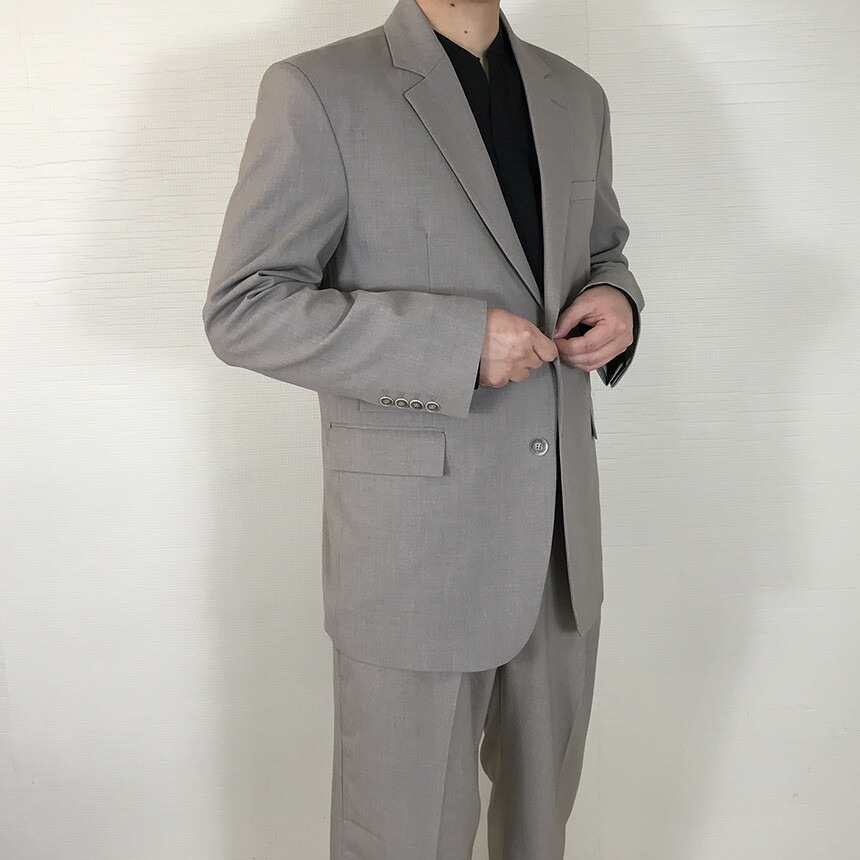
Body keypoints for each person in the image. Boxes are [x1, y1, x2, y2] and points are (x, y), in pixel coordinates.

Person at [203, 0, 644, 855]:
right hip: (413, 555)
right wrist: (452, 344)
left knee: (541, 833)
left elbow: (603, 251)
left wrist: (617, 298)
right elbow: (245, 309)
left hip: (559, 551)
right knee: (404, 837)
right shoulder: (318, 89)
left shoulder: (577, 95)